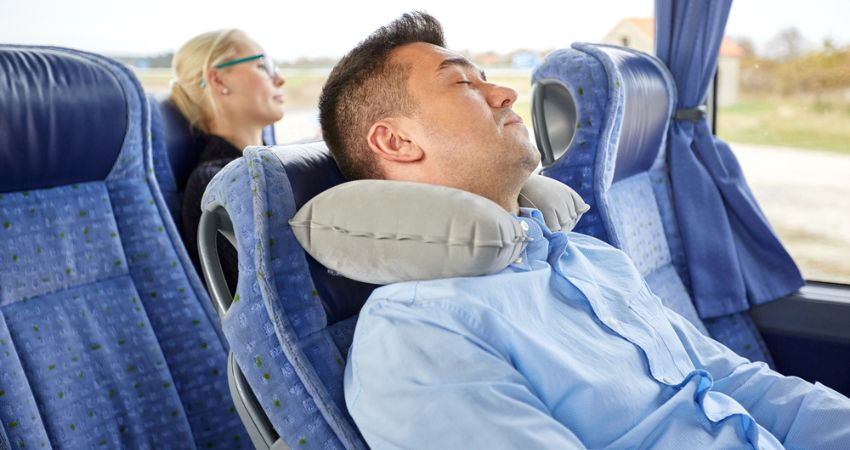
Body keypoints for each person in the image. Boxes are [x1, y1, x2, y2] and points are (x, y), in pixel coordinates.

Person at [318, 12, 850, 449]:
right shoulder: (419, 334)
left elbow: (736, 384)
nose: (503, 92)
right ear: (395, 142)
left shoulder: (586, 257)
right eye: (463, 82)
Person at [169, 29, 285, 286]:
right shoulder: (216, 184)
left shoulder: (278, 164)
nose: (280, 78)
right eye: (262, 66)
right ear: (219, 80)